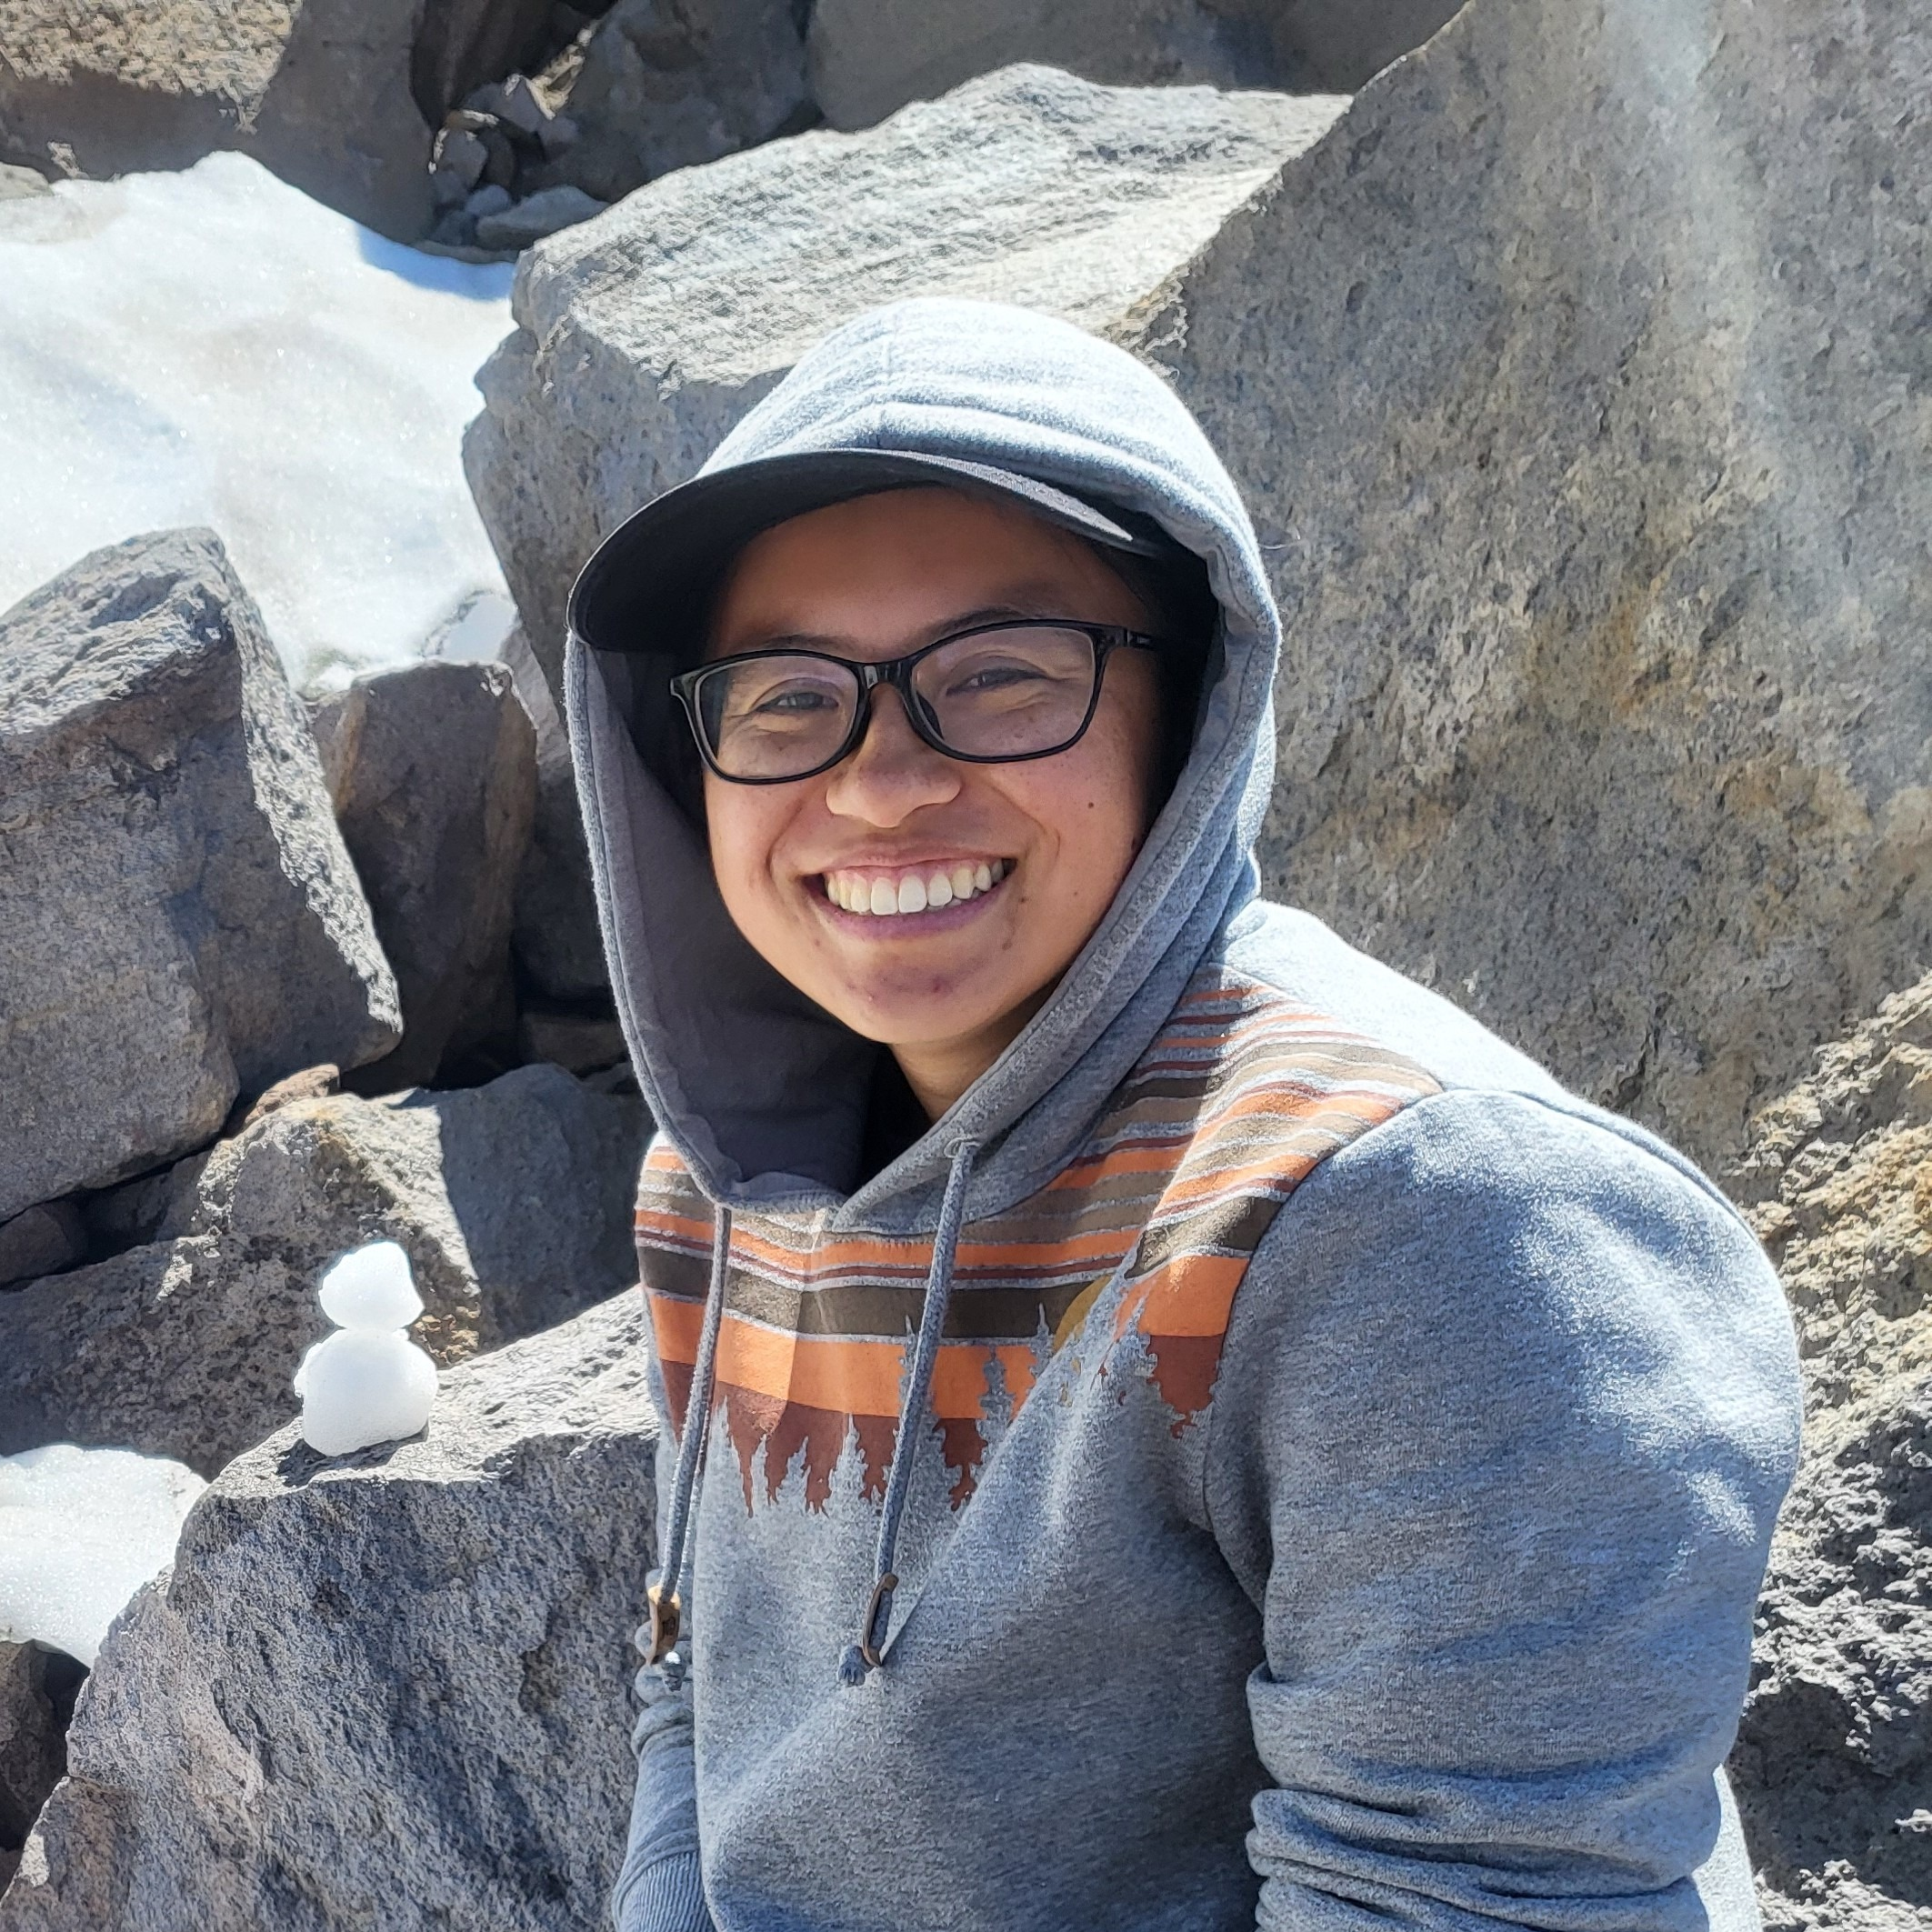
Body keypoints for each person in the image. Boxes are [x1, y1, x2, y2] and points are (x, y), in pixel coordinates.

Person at [564, 296, 1802, 1932]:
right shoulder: (722, 1181)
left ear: (1195, 715)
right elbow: (696, 1697)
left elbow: (1470, 1904)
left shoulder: (1428, 1225)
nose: (879, 782)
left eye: (999, 677)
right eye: (788, 698)